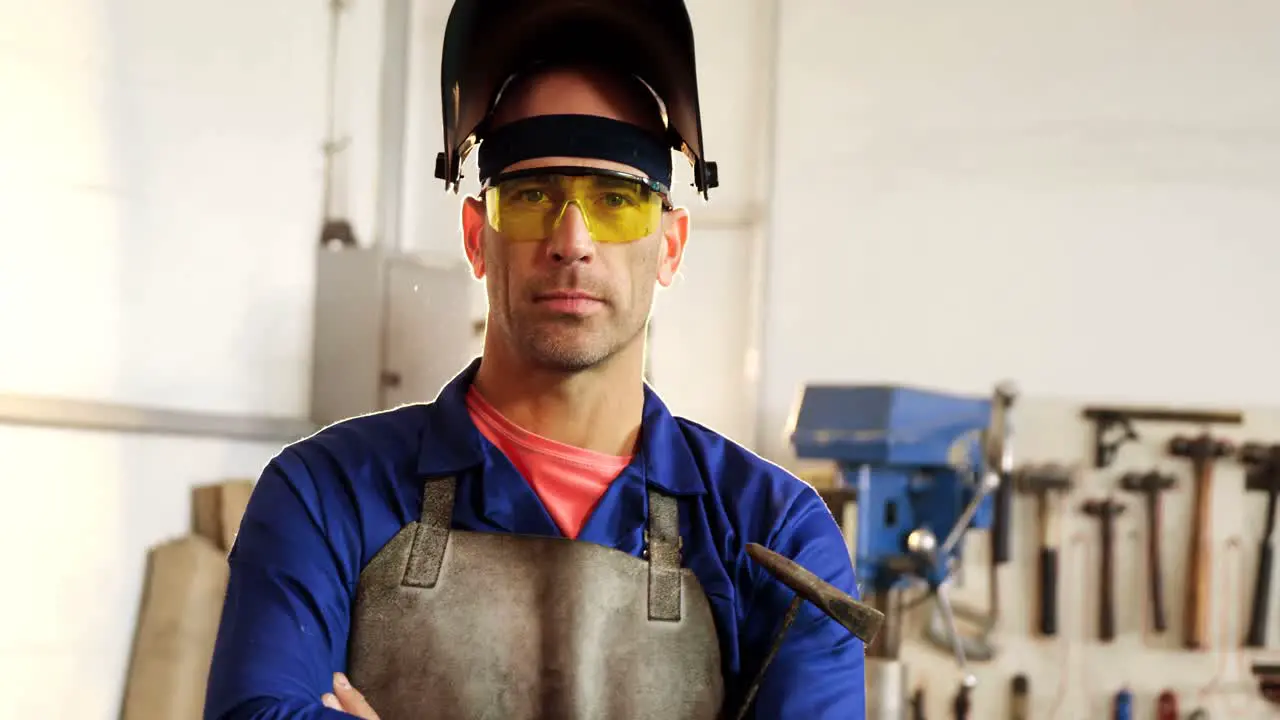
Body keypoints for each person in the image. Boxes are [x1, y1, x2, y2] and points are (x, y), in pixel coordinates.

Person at [204, 1, 866, 718]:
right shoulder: (325, 496)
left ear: (669, 244)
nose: (572, 239)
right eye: (530, 197)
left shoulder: (772, 535)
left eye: (615, 201)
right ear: (476, 237)